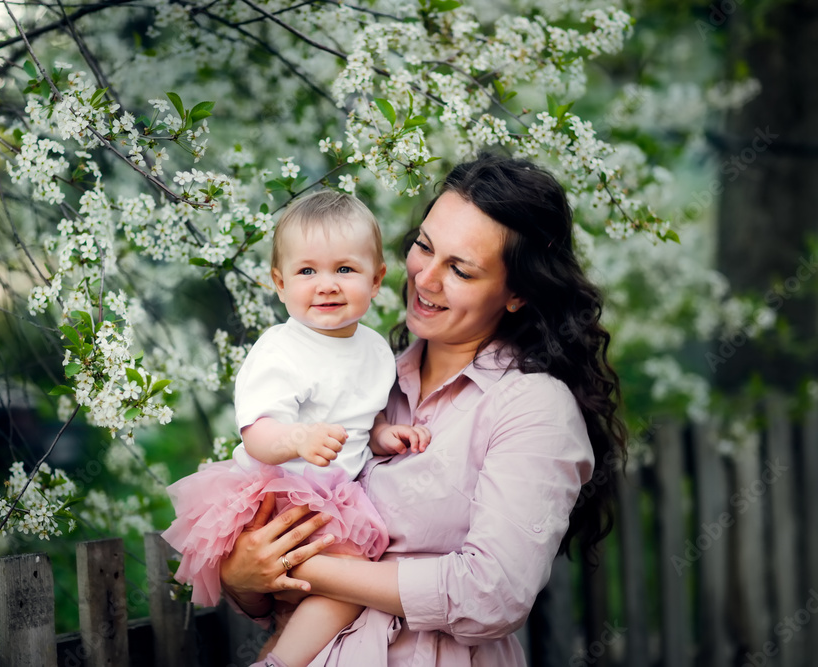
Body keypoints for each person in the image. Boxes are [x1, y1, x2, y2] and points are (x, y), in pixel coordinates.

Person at [218, 153, 627, 666]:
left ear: (517, 292)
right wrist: (243, 576)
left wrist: (308, 564)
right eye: (424, 247)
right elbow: (268, 593)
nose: (426, 279)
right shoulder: (371, 381)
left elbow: (492, 595)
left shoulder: (530, 407)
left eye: (459, 269)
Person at [163, 190, 432, 667]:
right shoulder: (281, 351)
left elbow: (359, 413)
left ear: (376, 281)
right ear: (279, 282)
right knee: (352, 576)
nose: (326, 285)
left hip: (332, 497)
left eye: (344, 269)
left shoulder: (373, 349)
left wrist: (382, 433)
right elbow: (258, 433)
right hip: (281, 492)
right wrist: (299, 439)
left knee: (342, 584)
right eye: (307, 271)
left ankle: (286, 656)